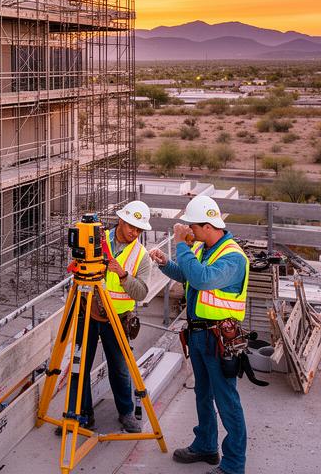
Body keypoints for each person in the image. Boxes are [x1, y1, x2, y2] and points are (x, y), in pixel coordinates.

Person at [149, 195, 249, 474]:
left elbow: (204, 279)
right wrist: (167, 263)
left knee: (227, 402)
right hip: (200, 335)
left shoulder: (233, 257)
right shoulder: (208, 248)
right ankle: (206, 445)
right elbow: (191, 276)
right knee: (203, 394)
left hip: (219, 339)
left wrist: (181, 243)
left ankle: (233, 466)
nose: (190, 231)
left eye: (193, 226)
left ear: (207, 225)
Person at [67, 199, 152, 433]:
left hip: (118, 317)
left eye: (139, 230)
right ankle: (81, 414)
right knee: (80, 364)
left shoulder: (141, 256)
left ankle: (125, 413)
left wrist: (123, 275)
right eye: (131, 227)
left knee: (119, 366)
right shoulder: (96, 237)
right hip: (89, 311)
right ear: (121, 221)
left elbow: (143, 293)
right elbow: (75, 264)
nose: (135, 233)